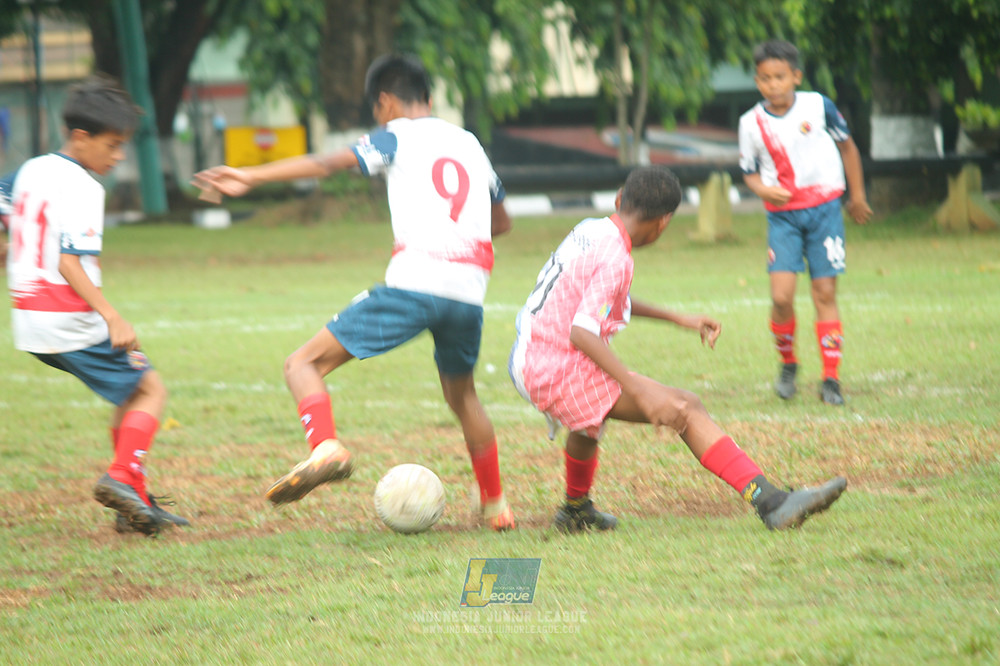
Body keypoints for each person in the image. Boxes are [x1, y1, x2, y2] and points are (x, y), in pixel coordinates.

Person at [193, 53, 515, 530]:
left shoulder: (395, 135)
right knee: (463, 395)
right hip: (469, 293)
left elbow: (328, 163)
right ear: (428, 97)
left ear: (385, 102)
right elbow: (501, 222)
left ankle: (325, 446)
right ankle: (496, 506)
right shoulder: (469, 142)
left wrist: (250, 176)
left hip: (414, 283)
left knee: (301, 364)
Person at [508, 166, 846, 533]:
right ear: (664, 222)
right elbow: (583, 332)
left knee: (592, 419)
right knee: (684, 407)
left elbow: (602, 299)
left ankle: (575, 511)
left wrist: (678, 318)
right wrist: (638, 390)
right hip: (553, 365)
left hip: (530, 352)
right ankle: (772, 502)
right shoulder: (616, 257)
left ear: (620, 198)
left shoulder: (592, 230)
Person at [6, 76, 188, 536]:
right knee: (150, 390)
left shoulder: (30, 170)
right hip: (69, 317)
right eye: (113, 144)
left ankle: (136, 504)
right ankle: (123, 478)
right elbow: (69, 262)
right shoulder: (84, 186)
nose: (119, 155)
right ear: (81, 137)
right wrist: (112, 315)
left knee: (130, 390)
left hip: (29, 319)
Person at [738, 39, 873, 406]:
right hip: (783, 219)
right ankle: (788, 364)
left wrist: (856, 196)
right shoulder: (750, 123)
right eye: (765, 79)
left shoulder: (818, 106)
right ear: (757, 81)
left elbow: (848, 147)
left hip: (825, 211)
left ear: (795, 76)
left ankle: (831, 378)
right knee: (781, 297)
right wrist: (765, 190)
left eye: (780, 77)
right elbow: (748, 174)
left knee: (824, 294)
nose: (773, 85)